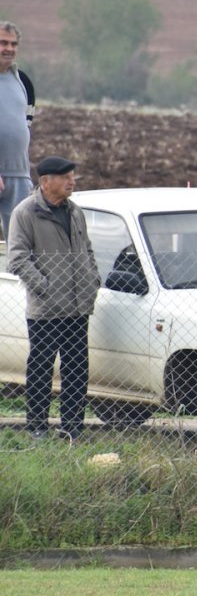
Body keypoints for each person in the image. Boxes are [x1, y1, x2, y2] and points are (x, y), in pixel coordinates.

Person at [7, 156, 100, 441]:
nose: (72, 181)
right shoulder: (25, 213)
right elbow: (18, 258)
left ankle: (72, 428)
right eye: (65, 177)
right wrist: (44, 286)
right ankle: (37, 427)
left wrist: (92, 280)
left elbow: (88, 249)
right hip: (46, 310)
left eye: (72, 176)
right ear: (46, 182)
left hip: (77, 307)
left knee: (76, 370)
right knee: (41, 369)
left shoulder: (74, 211)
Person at [0, 21, 35, 238]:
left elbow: (26, 124)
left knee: (21, 242)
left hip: (19, 175)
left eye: (13, 44)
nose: (9, 48)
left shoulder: (23, 81)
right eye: (3, 42)